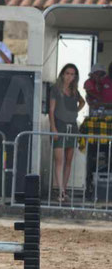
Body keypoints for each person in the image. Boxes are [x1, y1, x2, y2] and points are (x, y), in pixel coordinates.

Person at [50, 63, 85, 202]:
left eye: (72, 74)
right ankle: (60, 191)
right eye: (67, 73)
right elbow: (51, 111)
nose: (69, 76)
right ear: (62, 74)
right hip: (59, 125)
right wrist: (53, 128)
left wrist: (74, 112)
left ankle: (64, 189)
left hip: (72, 126)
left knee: (69, 160)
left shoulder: (74, 90)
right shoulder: (56, 89)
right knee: (59, 159)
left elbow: (82, 102)